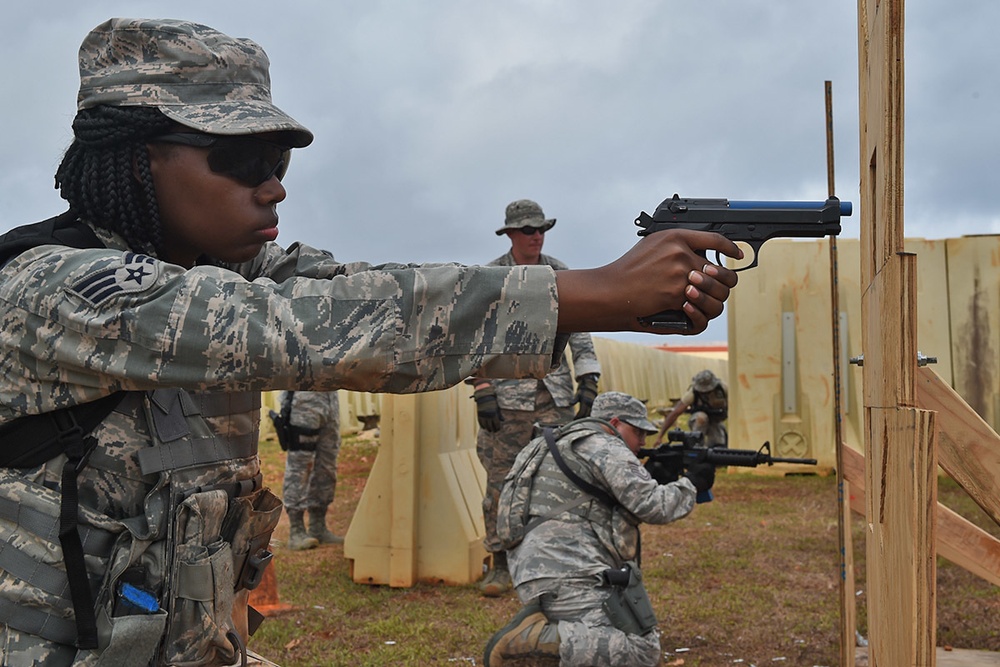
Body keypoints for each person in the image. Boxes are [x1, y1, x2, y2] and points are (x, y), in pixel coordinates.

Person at [0, 17, 739, 667]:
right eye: (243, 162)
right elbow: (304, 328)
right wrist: (597, 290)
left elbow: (367, 290)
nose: (275, 189)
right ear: (138, 155)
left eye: (278, 163)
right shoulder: (55, 289)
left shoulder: (221, 268)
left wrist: (602, 306)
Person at [484, 392, 715, 666]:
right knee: (640, 649)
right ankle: (525, 642)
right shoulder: (603, 444)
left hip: (535, 570)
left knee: (610, 636)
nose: (643, 441)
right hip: (570, 574)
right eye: (638, 431)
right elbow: (655, 506)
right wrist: (691, 484)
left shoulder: (551, 443)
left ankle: (544, 639)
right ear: (615, 424)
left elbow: (594, 503)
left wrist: (651, 476)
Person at [471, 199, 602, 597]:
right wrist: (481, 388)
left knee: (557, 480)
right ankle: (498, 563)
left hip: (553, 396)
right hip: (507, 399)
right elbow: (475, 334)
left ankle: (555, 560)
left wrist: (590, 376)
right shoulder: (491, 276)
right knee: (501, 482)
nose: (536, 235)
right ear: (510, 234)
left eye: (541, 228)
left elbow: (581, 327)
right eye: (528, 230)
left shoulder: (559, 273)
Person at [280, 391, 344, 551]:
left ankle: (318, 527)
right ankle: (296, 531)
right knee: (300, 465)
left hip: (329, 400)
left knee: (327, 465)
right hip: (304, 401)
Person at [654, 369, 729, 447]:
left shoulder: (724, 389)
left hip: (716, 421)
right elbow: (675, 413)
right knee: (701, 418)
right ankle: (696, 444)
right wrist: (660, 436)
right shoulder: (692, 394)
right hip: (698, 420)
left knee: (719, 443)